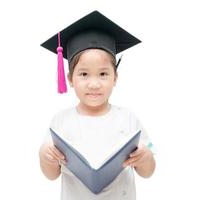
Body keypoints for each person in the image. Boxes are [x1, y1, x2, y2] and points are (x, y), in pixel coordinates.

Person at [39, 10, 156, 200]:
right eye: (84, 74)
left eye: (103, 74)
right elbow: (51, 174)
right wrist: (45, 155)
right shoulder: (61, 121)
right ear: (69, 78)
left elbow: (148, 171)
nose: (94, 84)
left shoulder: (128, 119)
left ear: (115, 77)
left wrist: (146, 158)